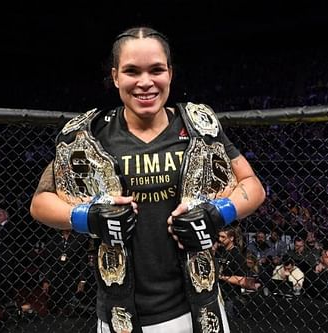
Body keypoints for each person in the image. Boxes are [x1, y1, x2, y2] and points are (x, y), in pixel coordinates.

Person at [30, 26, 265, 333]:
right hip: (120, 312)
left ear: (170, 73)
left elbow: (253, 186)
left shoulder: (197, 127)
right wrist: (87, 217)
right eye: (132, 71)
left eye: (156, 70)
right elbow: (40, 203)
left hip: (198, 307)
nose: (145, 82)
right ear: (116, 77)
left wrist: (218, 212)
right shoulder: (91, 134)